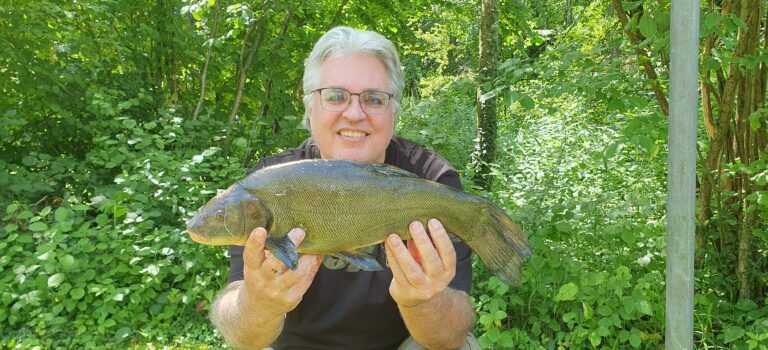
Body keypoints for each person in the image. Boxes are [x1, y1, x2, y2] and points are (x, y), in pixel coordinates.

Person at [210, 26, 479, 350]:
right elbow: (241, 333)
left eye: (374, 99)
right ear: (310, 108)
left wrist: (422, 301)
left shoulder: (431, 182)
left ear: (393, 111)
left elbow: (451, 336)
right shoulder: (269, 183)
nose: (354, 114)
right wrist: (258, 305)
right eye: (335, 96)